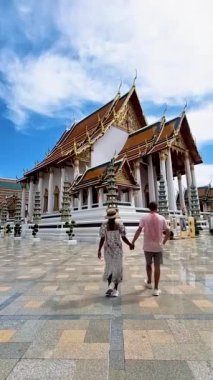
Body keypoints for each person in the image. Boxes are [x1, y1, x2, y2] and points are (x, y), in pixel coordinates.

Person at [131, 202, 170, 296]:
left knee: (148, 264)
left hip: (147, 246)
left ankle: (149, 282)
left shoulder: (144, 218)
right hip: (158, 247)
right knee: (157, 267)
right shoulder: (162, 218)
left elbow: (139, 230)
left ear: (149, 208)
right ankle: (156, 289)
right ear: (157, 208)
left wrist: (133, 242)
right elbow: (168, 231)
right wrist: (163, 242)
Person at [98, 207, 133, 297]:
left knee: (110, 268)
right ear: (115, 217)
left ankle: (110, 287)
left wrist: (99, 250)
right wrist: (130, 244)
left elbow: (102, 238)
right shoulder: (119, 225)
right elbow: (123, 237)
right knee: (116, 268)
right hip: (116, 250)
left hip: (108, 250)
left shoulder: (104, 225)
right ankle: (114, 289)